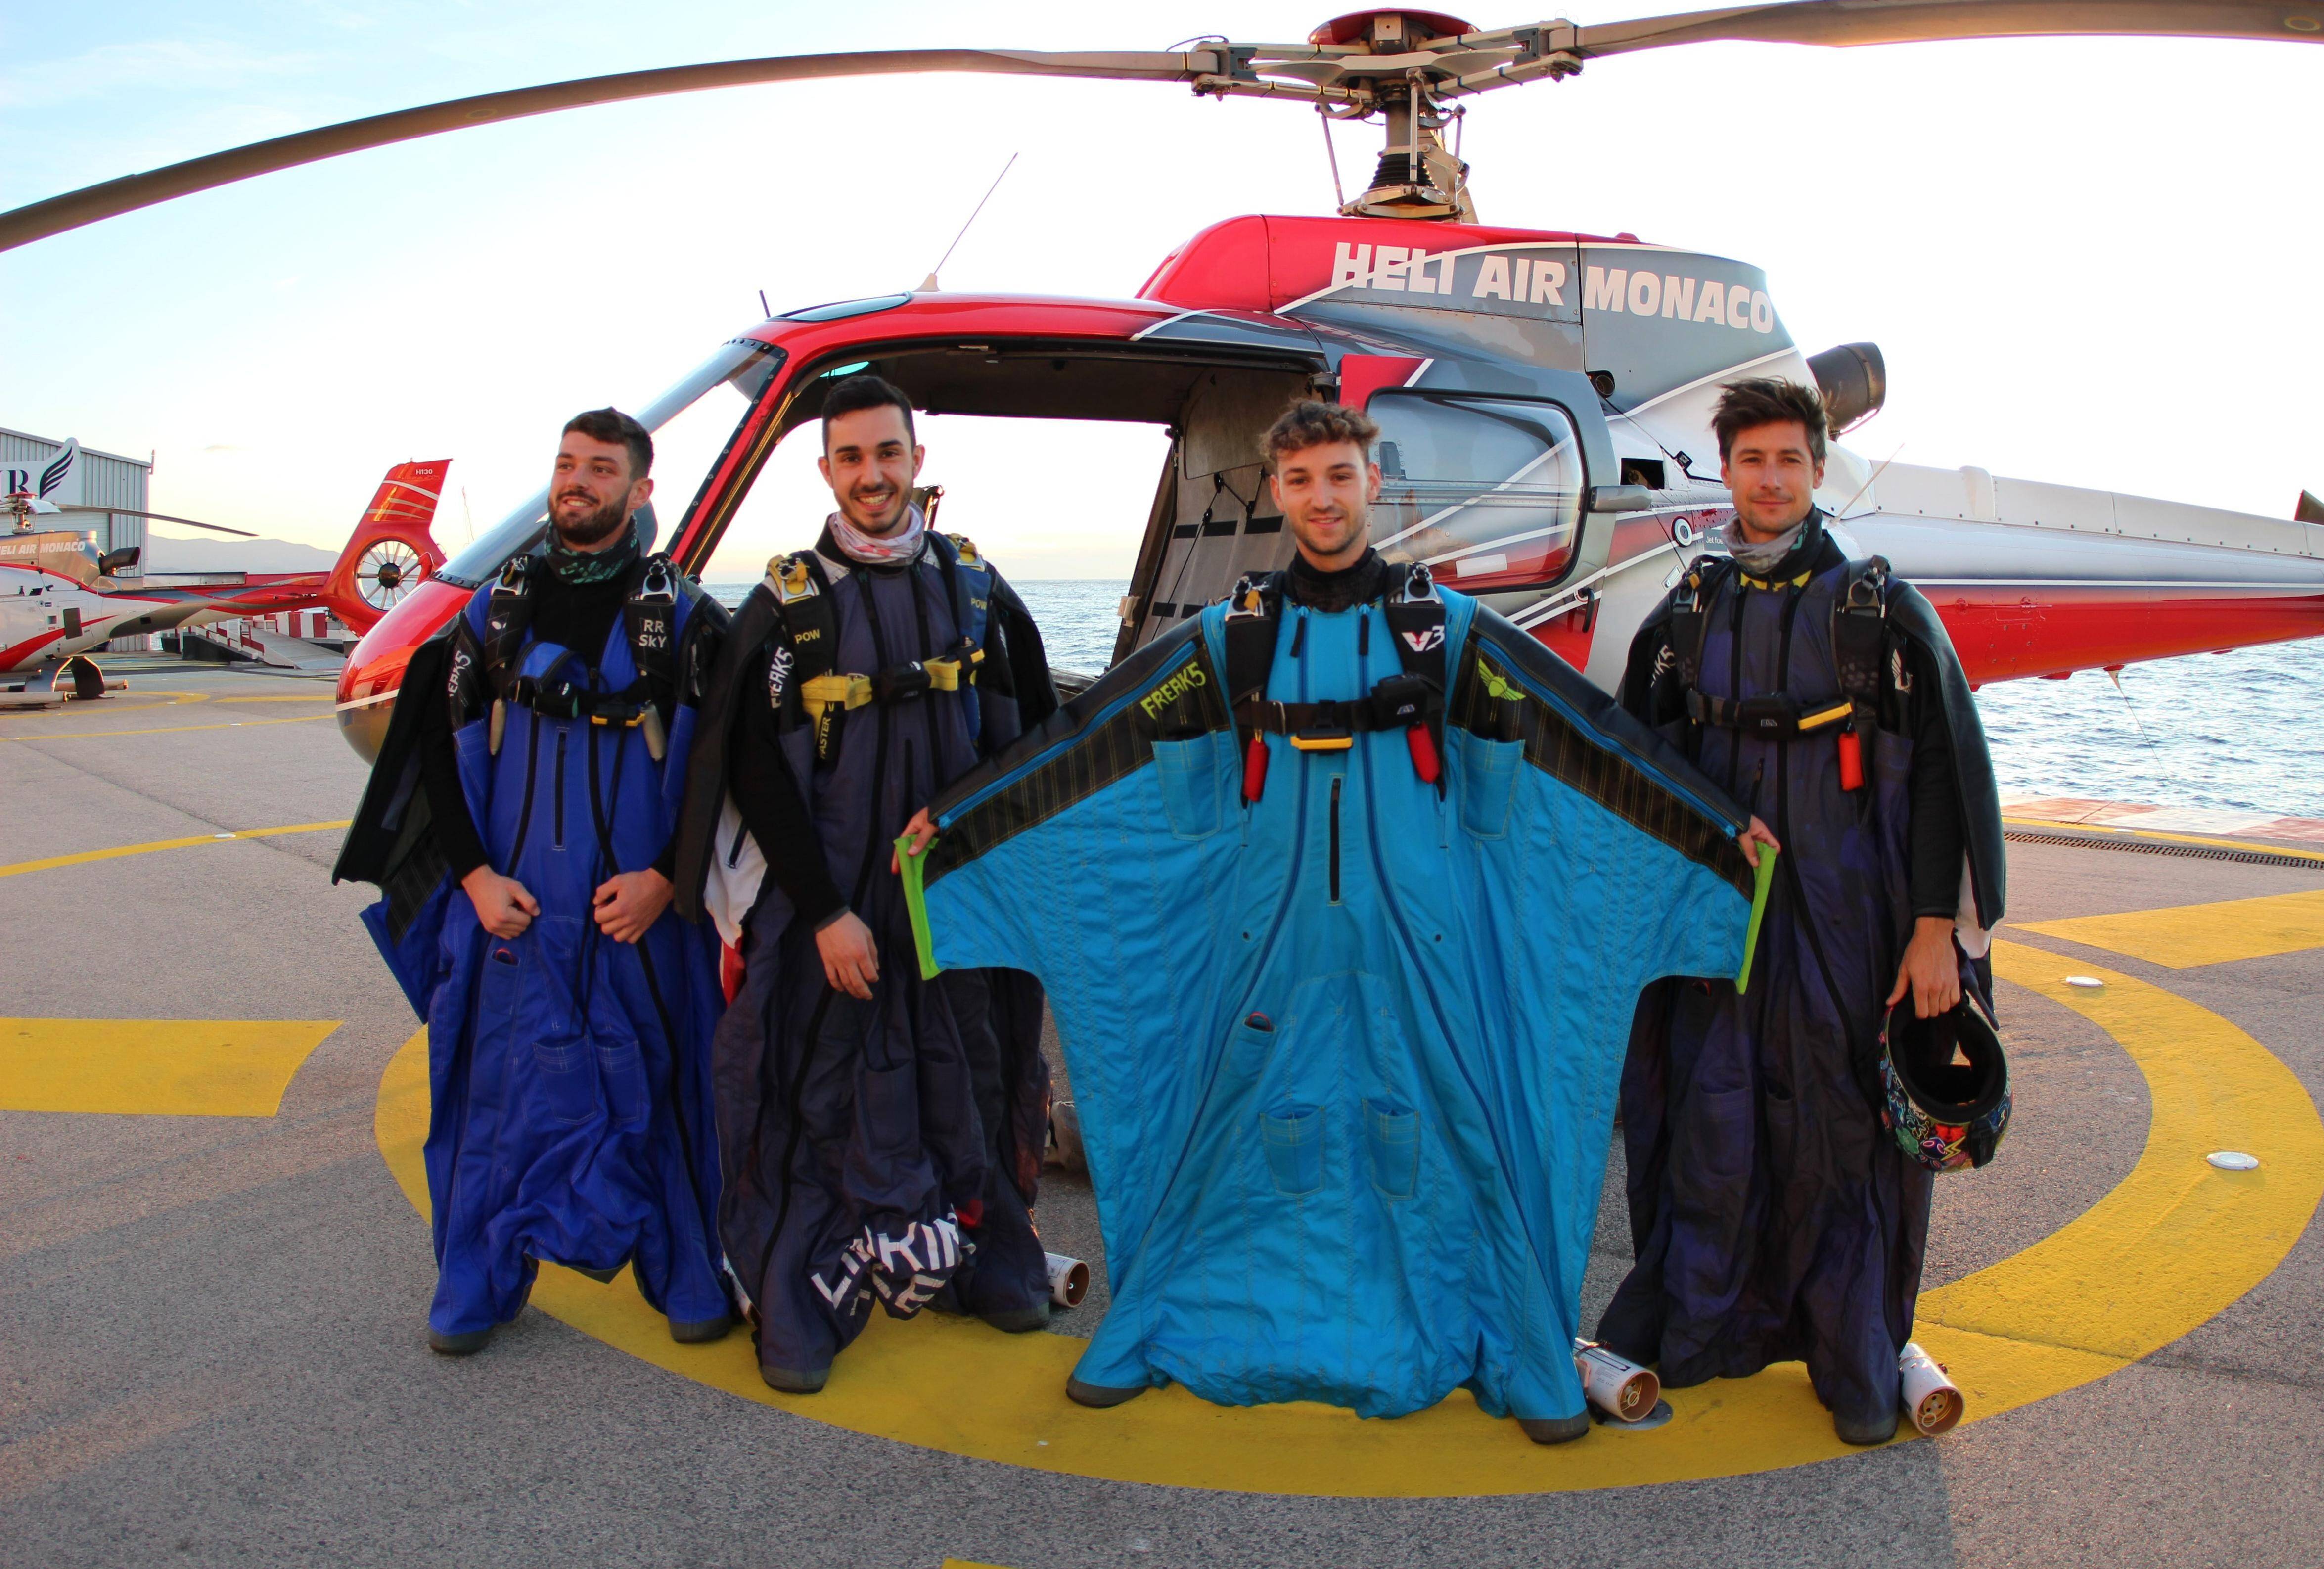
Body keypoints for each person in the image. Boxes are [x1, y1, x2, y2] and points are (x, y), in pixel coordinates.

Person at [893, 401, 1770, 1442]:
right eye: (1302, 478)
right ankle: (1153, 1320)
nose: (1322, 496)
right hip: (1272, 941)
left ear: (1371, 479)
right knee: (1208, 1119)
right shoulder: (1234, 640)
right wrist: (956, 826)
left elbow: (1589, 735)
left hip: (1420, 946)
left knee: (1469, 1121)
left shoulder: (1442, 633)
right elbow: (1095, 736)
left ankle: (1525, 1344)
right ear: (1279, 491)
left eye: (1340, 475)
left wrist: (1717, 832)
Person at [1594, 376, 2005, 1444]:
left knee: (1841, 1126)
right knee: (1713, 1109)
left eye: (1788, 459)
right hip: (1727, 915)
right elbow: (1637, 762)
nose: (1769, 479)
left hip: (1850, 913)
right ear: (1722, 472)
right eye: (1749, 460)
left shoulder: (1878, 609)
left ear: (1819, 469)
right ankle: (1707, 1320)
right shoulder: (1688, 610)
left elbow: (1949, 782)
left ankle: (1855, 1349)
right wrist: (1707, 832)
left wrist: (1933, 934)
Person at [672, 375, 1058, 1394]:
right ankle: (805, 1281)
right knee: (815, 1083)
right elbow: (750, 767)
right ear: (826, 470)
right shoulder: (787, 602)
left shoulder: (975, 587)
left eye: (888, 452)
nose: (872, 474)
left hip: (950, 896)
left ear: (916, 460)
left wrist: (974, 816)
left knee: (968, 1066)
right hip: (826, 904)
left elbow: (1030, 737)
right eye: (851, 457)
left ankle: (983, 1248)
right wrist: (828, 909)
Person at [336, 408, 735, 1355]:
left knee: (669, 1084)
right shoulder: (491, 613)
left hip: (641, 912)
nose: (577, 482)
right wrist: (471, 877)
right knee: (487, 1093)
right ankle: (474, 1278)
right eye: (567, 465)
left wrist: (669, 882)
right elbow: (433, 747)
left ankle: (685, 1266)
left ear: (641, 491)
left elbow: (723, 763)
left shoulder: (682, 619)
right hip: (510, 911)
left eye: (602, 468)